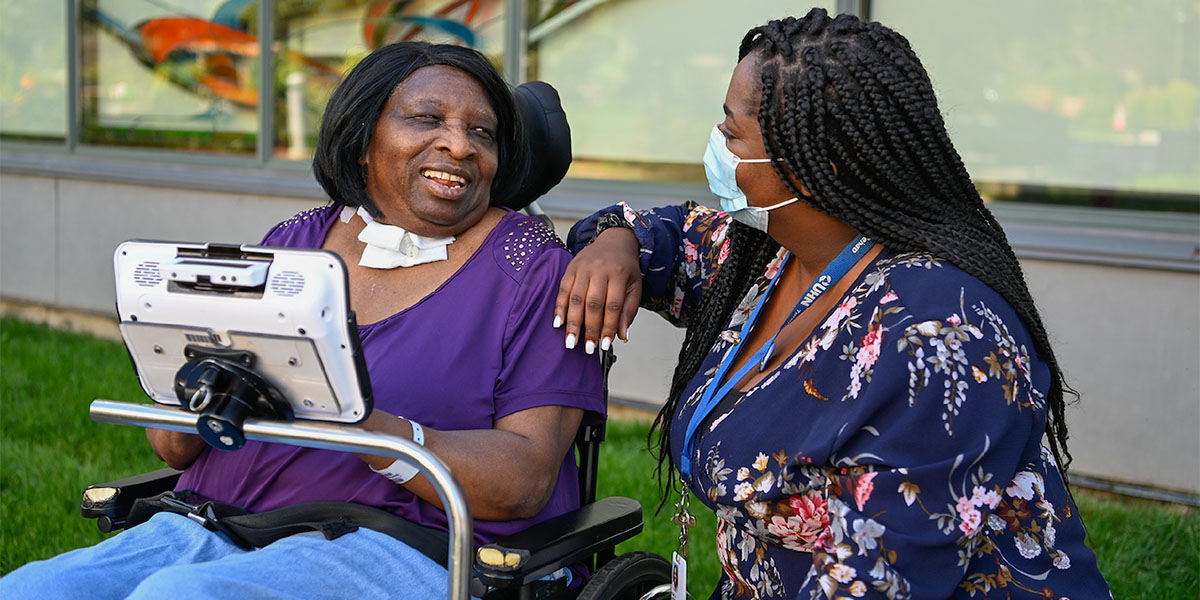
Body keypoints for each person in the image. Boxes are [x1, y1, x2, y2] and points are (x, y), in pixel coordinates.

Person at [1, 42, 603, 599]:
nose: (460, 145)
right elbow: (175, 448)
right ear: (362, 138)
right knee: (32, 589)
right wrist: (190, 384)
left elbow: (525, 479)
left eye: (481, 132)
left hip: (402, 544)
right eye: (427, 119)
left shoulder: (535, 270)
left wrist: (368, 427)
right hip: (214, 521)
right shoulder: (296, 242)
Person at [555, 9, 1110, 599]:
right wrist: (615, 245)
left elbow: (876, 579)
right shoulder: (770, 255)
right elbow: (654, 232)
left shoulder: (937, 339)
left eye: (732, 132)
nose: (716, 144)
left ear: (816, 165)